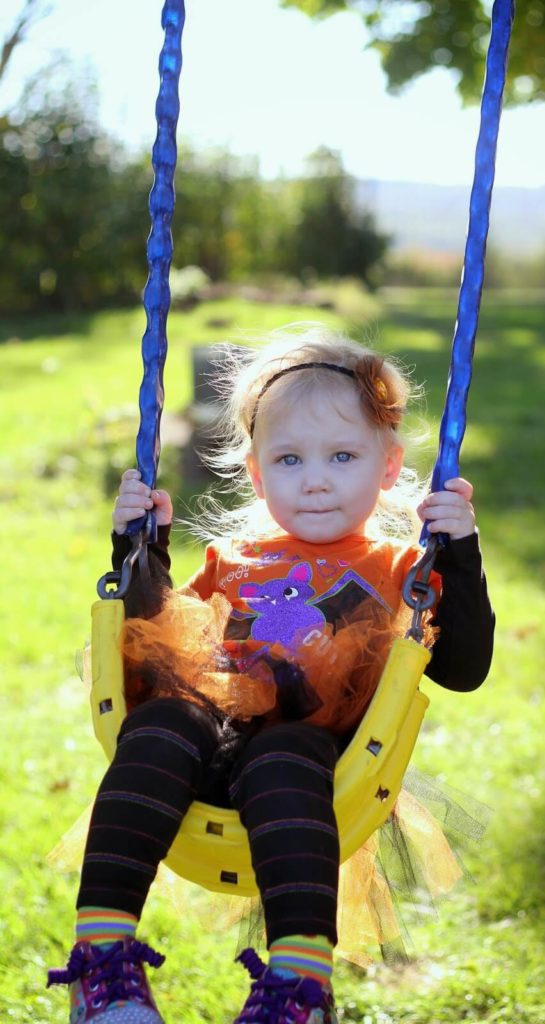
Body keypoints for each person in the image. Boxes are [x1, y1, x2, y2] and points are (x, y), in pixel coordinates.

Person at [48, 326, 495, 1024]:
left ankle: (298, 990)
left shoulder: (400, 569)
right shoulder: (233, 559)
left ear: (386, 466)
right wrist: (140, 550)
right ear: (258, 474)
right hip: (208, 749)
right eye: (289, 459)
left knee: (283, 751)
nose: (315, 478)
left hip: (315, 765)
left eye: (342, 455)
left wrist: (459, 553)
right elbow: (153, 650)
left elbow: (464, 670)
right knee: (162, 720)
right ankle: (103, 966)